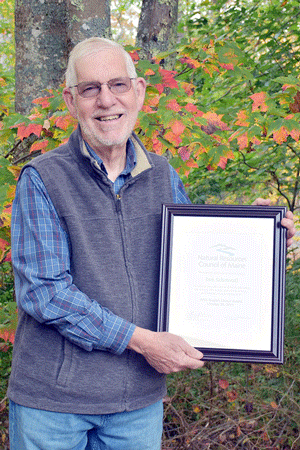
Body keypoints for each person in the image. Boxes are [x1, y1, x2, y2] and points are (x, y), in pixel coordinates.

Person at [8, 37, 295, 450]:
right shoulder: (43, 178)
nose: (106, 100)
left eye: (118, 85)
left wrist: (260, 239)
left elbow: (194, 261)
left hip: (138, 403)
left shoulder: (163, 174)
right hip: (54, 405)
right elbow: (46, 293)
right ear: (71, 102)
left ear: (139, 92)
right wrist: (143, 342)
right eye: (90, 89)